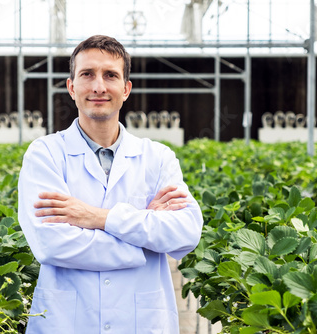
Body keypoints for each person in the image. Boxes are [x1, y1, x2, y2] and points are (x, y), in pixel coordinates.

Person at [18, 35, 203, 334]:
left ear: (126, 89)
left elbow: (185, 233)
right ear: (72, 87)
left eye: (111, 75)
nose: (99, 86)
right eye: (87, 74)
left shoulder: (157, 157)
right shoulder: (45, 154)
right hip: (68, 323)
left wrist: (98, 218)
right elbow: (51, 244)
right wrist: (144, 243)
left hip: (142, 323)